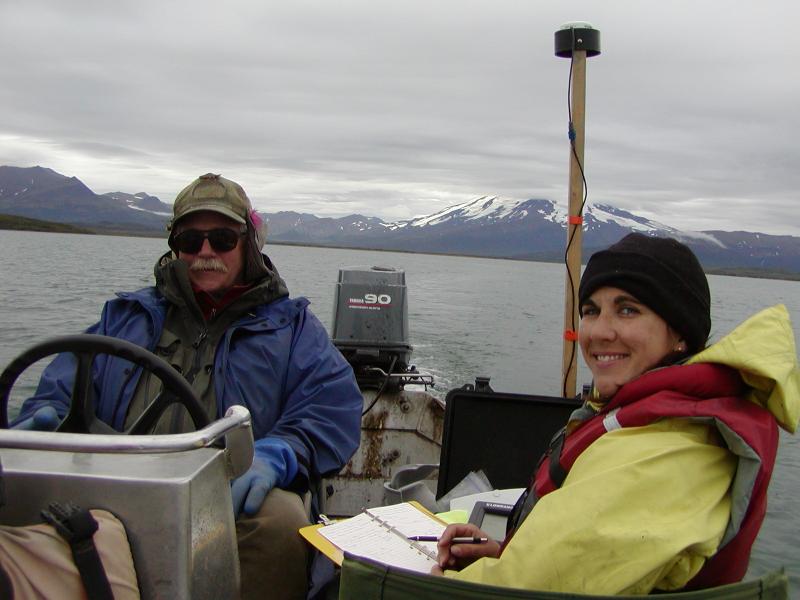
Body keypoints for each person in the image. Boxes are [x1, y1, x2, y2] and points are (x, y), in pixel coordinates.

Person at [12, 173, 364, 600]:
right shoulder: (125, 317)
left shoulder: (293, 327)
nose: (205, 253)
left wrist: (281, 451)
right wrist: (41, 421)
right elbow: (61, 386)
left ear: (249, 244)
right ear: (174, 246)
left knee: (280, 520)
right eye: (190, 240)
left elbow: (333, 406)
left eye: (222, 238)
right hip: (116, 483)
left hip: (227, 495)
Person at [433, 233, 799, 594]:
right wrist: (504, 555)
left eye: (628, 310)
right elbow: (577, 569)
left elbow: (526, 591)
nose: (600, 332)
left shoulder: (677, 449)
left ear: (680, 334)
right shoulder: (648, 417)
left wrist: (439, 585)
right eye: (591, 310)